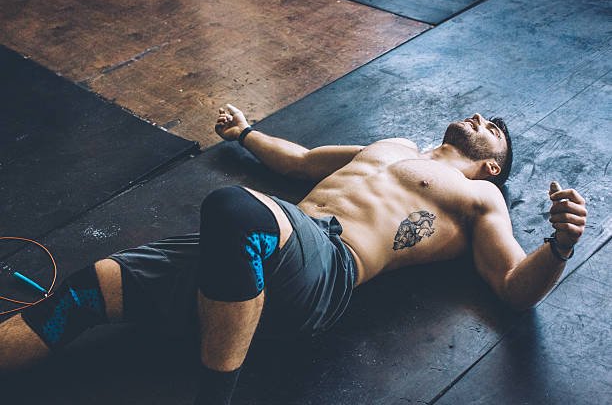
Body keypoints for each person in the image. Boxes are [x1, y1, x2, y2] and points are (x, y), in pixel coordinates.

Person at [0, 104, 587, 404]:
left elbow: (513, 285)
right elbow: (302, 162)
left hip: (324, 266)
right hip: (258, 248)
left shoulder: (481, 194)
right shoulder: (392, 145)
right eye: (482, 114)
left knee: (235, 210)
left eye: (494, 131)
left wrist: (558, 244)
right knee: (81, 293)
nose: (480, 119)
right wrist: (246, 133)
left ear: (492, 165)